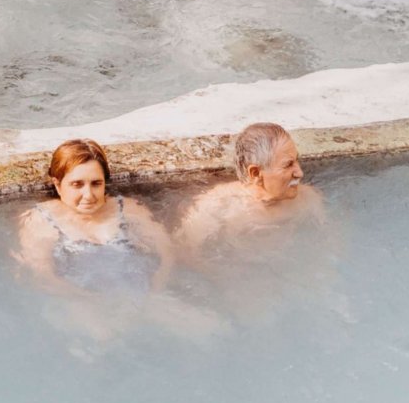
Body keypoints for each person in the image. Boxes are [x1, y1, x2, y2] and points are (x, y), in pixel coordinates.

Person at [17, 138, 173, 296]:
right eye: (77, 184)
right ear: (58, 185)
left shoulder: (126, 208)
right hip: (80, 305)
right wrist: (93, 302)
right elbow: (42, 276)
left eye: (96, 184)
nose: (88, 195)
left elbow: (166, 252)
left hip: (139, 296)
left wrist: (155, 291)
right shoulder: (42, 219)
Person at [176, 121, 324, 257]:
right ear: (255, 173)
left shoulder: (307, 199)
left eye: (297, 160)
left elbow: (326, 244)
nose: (300, 173)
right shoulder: (216, 207)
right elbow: (187, 254)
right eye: (288, 165)